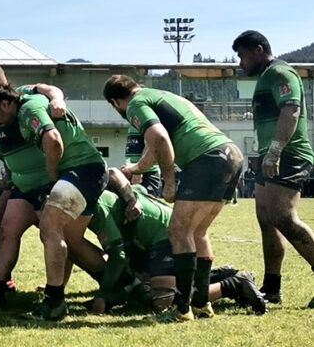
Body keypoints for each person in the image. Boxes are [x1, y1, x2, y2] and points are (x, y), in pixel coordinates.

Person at [103, 74, 243, 322]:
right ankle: (200, 305)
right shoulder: (162, 96)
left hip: (206, 159)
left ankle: (181, 310)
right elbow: (154, 147)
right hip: (230, 153)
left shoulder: (136, 104)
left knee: (178, 231)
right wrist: (136, 169)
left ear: (115, 102)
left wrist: (169, 181)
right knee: (197, 233)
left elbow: (158, 138)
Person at [0, 85, 107, 321]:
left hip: (84, 169)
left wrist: (52, 171)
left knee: (50, 226)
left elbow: (53, 140)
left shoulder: (28, 109)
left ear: (5, 104)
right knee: (66, 238)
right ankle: (120, 282)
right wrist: (56, 97)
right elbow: (47, 89)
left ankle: (55, 301)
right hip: (78, 171)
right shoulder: (21, 97)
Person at [87, 168, 266, 315]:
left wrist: (103, 296)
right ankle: (219, 275)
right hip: (154, 239)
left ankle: (234, 284)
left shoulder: (97, 204)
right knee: (144, 287)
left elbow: (119, 255)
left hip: (165, 237)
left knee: (162, 301)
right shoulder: (107, 194)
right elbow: (134, 187)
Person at [233, 30, 314, 306]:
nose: (240, 62)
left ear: (258, 50)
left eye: (242, 55)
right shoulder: (266, 78)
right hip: (271, 155)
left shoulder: (280, 73)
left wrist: (277, 149)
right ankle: (272, 288)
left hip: (289, 154)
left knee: (283, 217)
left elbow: (291, 110)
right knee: (267, 220)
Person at [125, 125, 162, 197]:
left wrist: (138, 171)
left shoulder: (143, 118)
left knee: (149, 203)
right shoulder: (133, 120)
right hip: (133, 171)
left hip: (147, 172)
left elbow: (150, 145)